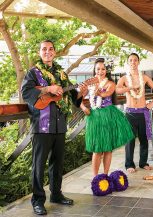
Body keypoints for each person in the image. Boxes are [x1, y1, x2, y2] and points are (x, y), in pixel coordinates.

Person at [21, 40, 87, 215]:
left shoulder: (62, 74)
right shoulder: (33, 73)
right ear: (39, 52)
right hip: (41, 125)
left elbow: (73, 97)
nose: (47, 52)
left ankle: (56, 194)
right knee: (38, 165)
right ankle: (37, 200)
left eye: (51, 49)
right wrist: (47, 88)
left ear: (55, 52)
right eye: (44, 49)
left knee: (57, 164)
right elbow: (26, 92)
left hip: (59, 124)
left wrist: (82, 92)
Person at [80, 58, 134, 177]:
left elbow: (106, 94)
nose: (100, 71)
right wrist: (83, 107)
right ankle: (95, 177)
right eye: (98, 69)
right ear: (94, 69)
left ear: (106, 70)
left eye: (103, 69)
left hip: (108, 115)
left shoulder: (111, 84)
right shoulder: (88, 83)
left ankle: (105, 175)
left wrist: (98, 92)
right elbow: (79, 98)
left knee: (107, 148)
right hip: (94, 116)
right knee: (97, 149)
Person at [116, 53, 153, 173]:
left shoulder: (145, 77)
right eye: (130, 60)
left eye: (135, 60)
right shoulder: (124, 78)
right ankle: (129, 164)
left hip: (143, 112)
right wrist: (130, 88)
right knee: (130, 140)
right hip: (130, 112)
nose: (133, 62)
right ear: (128, 62)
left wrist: (152, 103)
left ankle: (143, 163)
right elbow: (117, 89)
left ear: (138, 62)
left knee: (144, 139)